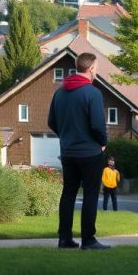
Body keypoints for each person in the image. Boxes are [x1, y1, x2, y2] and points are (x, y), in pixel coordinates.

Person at [47, 52, 111, 250]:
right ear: (91, 69)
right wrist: (103, 142)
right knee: (91, 195)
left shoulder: (60, 92)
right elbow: (98, 125)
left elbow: (51, 122)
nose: (97, 72)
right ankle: (88, 240)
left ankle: (64, 239)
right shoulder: (92, 93)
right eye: (97, 68)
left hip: (68, 152)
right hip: (90, 152)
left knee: (68, 194)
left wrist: (66, 136)